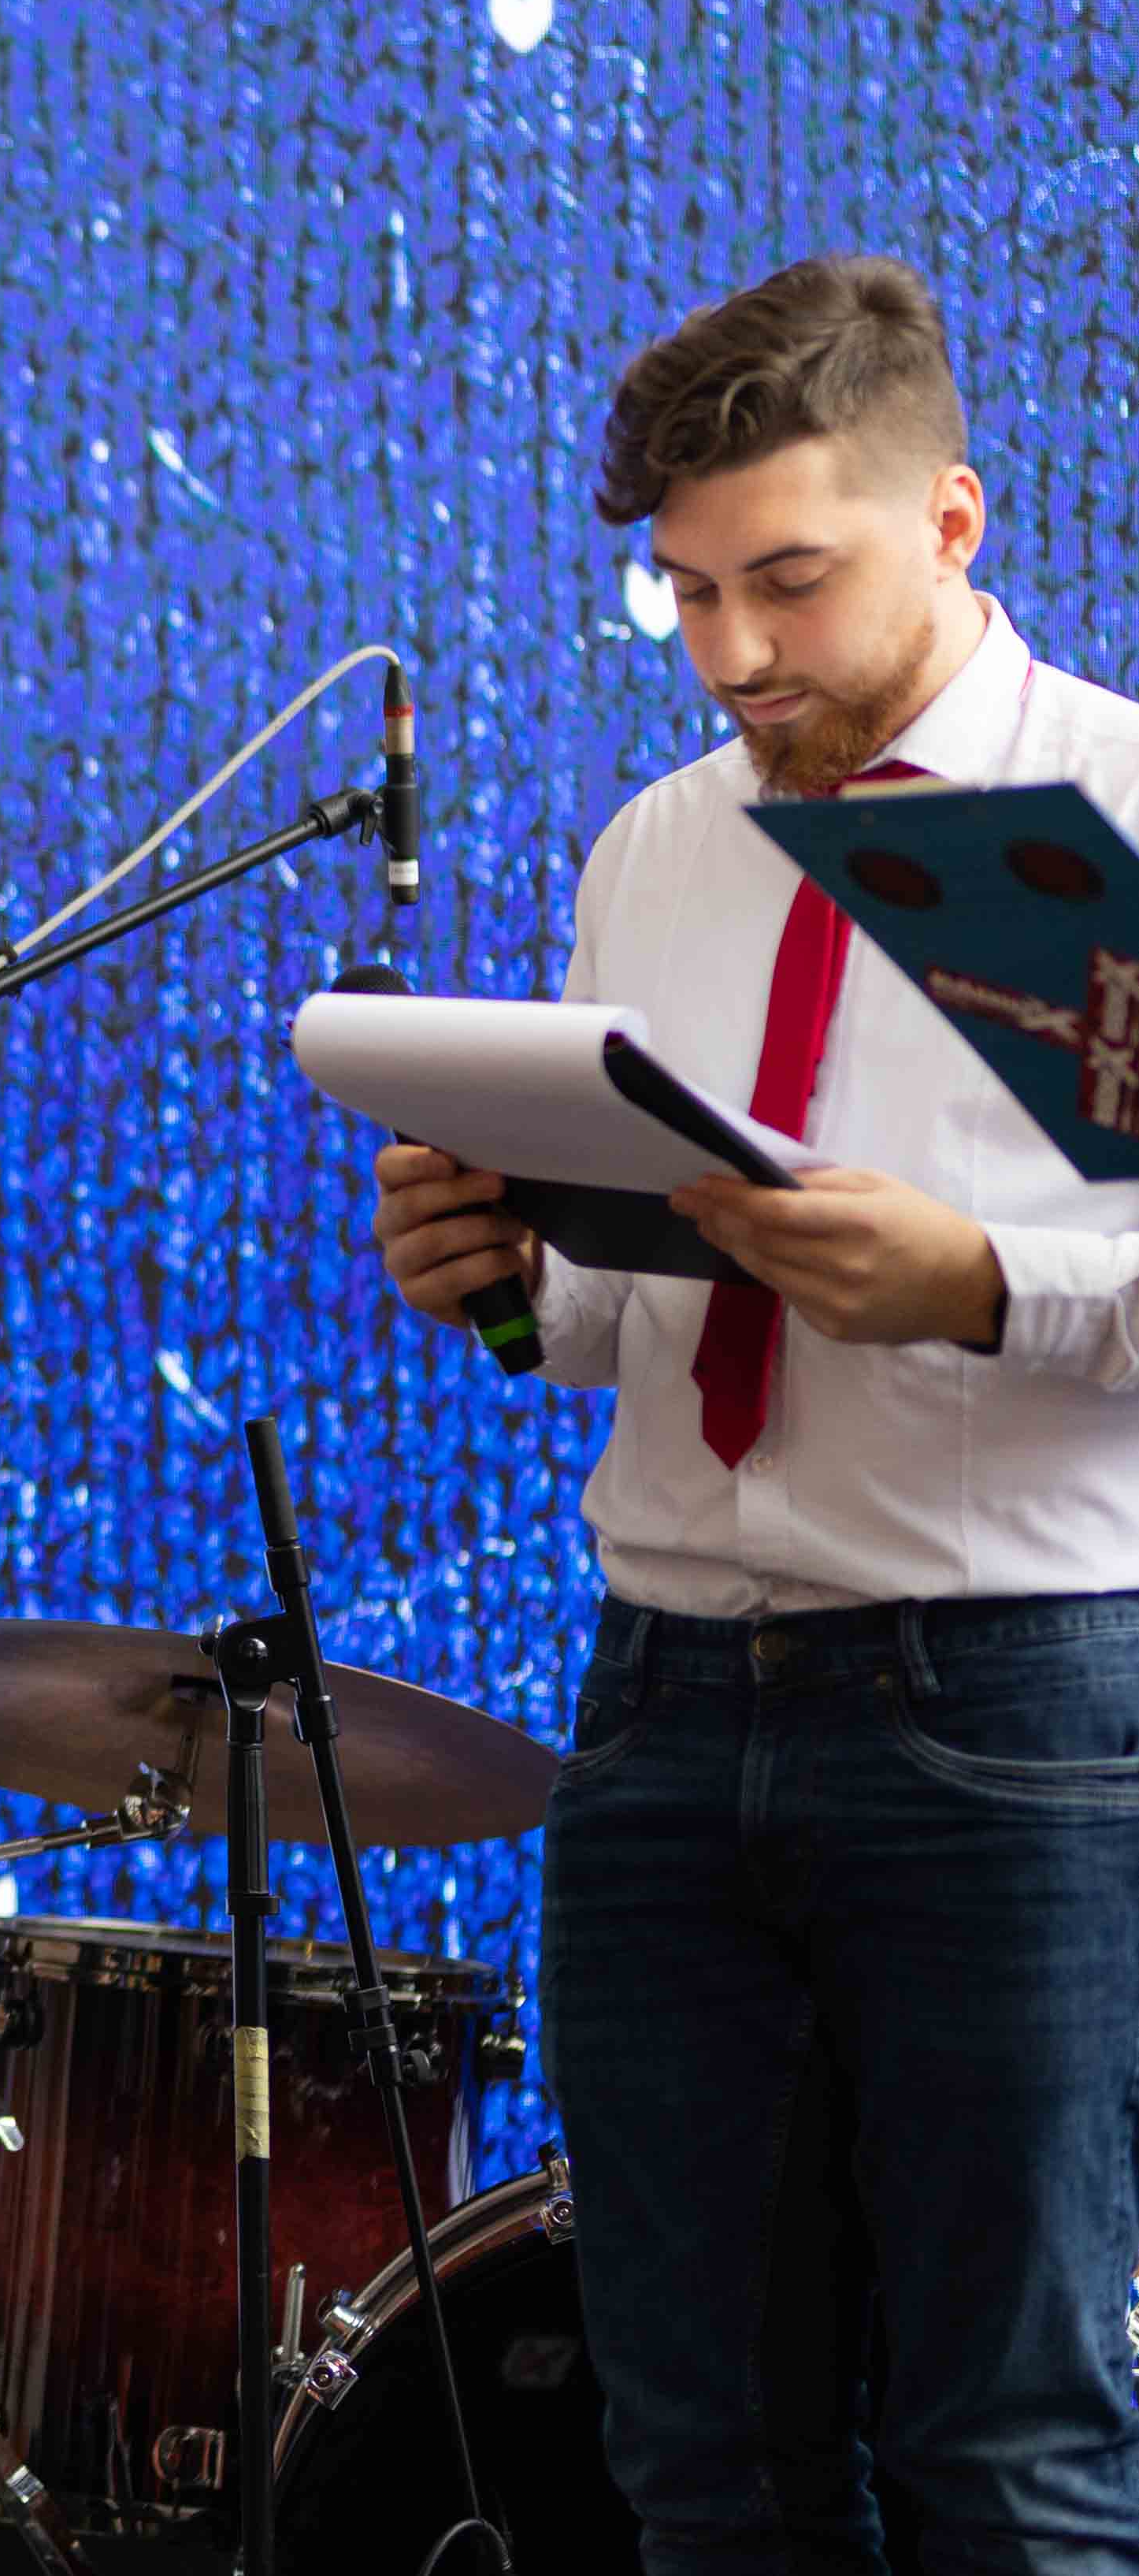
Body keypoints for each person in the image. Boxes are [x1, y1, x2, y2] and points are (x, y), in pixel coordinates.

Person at [370, 255, 1139, 2562]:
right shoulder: (660, 843)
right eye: (687, 591)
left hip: (1009, 1703)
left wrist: (983, 1281)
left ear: (956, 519)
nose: (729, 651)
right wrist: (506, 1284)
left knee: (1011, 2449)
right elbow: (628, 1320)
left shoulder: (1110, 812)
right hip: (663, 1700)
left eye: (787, 580)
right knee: (695, 2459)